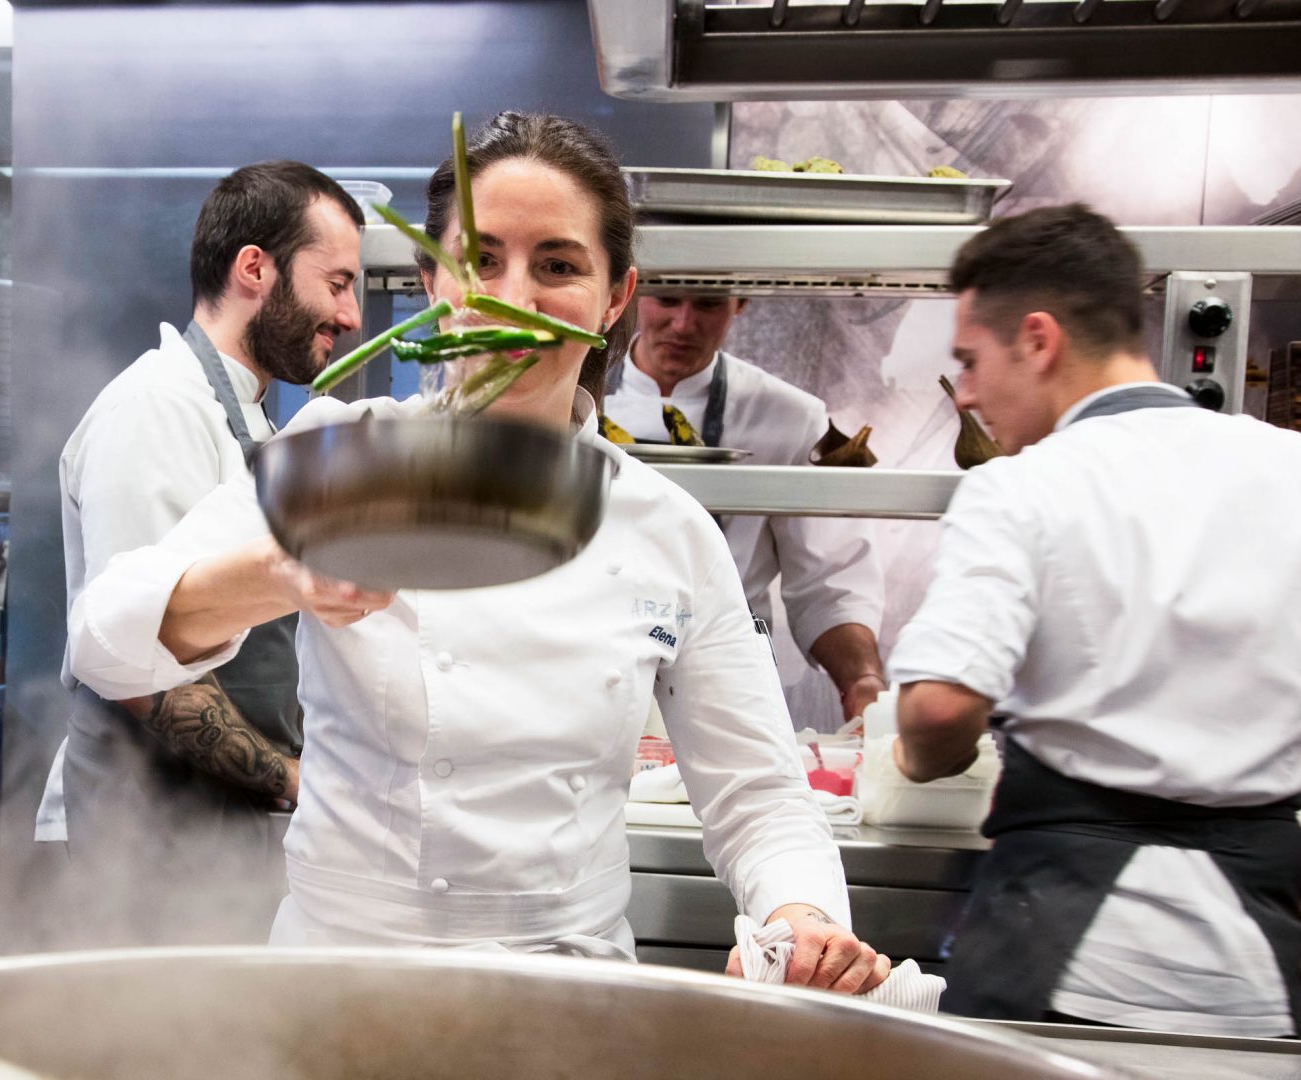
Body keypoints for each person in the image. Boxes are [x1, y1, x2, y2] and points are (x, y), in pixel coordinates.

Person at [67, 112, 885, 990]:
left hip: (569, 990)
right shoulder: (339, 455)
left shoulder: (667, 527)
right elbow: (104, 641)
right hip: (338, 980)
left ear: (615, 298)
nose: (513, 298)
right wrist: (279, 573)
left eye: (559, 265)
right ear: (430, 281)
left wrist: (800, 916)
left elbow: (756, 795)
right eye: (481, 260)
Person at [888, 204, 1301, 1035]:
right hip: (1267, 956)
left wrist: (920, 752)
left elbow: (939, 709)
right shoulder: (1288, 467)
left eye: (970, 361)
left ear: (1038, 340)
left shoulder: (1023, 486)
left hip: (1070, 954)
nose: (965, 393)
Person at [37, 161, 363, 943]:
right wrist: (299, 782)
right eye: (339, 283)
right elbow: (135, 667)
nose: (351, 315)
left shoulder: (244, 420)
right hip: (145, 837)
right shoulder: (156, 409)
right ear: (256, 268)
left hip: (215, 830)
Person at [603, 295, 887, 729]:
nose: (683, 324)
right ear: (634, 292)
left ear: (741, 303)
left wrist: (862, 681)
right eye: (667, 301)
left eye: (708, 305)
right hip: (599, 662)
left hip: (727, 670)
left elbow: (828, 582)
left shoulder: (790, 415)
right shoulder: (577, 398)